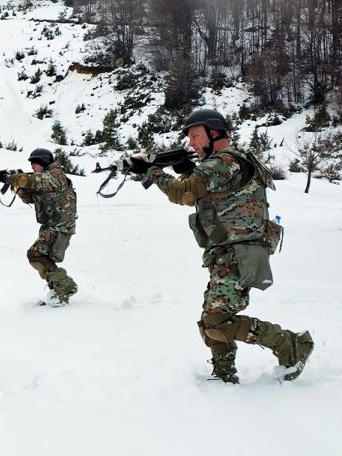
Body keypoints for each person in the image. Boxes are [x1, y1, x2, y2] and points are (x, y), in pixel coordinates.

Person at [124, 108, 314, 383]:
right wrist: (188, 170)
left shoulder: (225, 160)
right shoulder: (227, 161)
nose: (191, 143)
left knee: (217, 321)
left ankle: (290, 345)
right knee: (210, 318)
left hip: (238, 252)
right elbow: (211, 191)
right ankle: (224, 374)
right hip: (228, 251)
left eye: (195, 136)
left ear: (213, 132)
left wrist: (152, 171)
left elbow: (184, 193)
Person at [7, 148, 79, 306]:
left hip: (60, 227)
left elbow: (35, 180)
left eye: (34, 163)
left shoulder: (56, 176)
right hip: (52, 226)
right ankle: (59, 291)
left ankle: (65, 287)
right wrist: (17, 186)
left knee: (36, 254)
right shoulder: (43, 180)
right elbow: (31, 197)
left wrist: (19, 179)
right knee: (37, 256)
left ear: (43, 162)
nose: (32, 166)